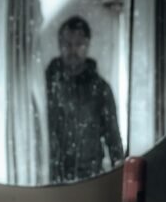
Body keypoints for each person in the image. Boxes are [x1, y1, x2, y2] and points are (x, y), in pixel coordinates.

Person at [45, 15, 124, 183]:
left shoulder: (100, 89)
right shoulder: (46, 85)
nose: (72, 50)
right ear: (60, 45)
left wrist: (119, 178)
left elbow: (113, 137)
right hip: (50, 176)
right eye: (67, 44)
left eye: (78, 44)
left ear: (87, 45)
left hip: (89, 177)